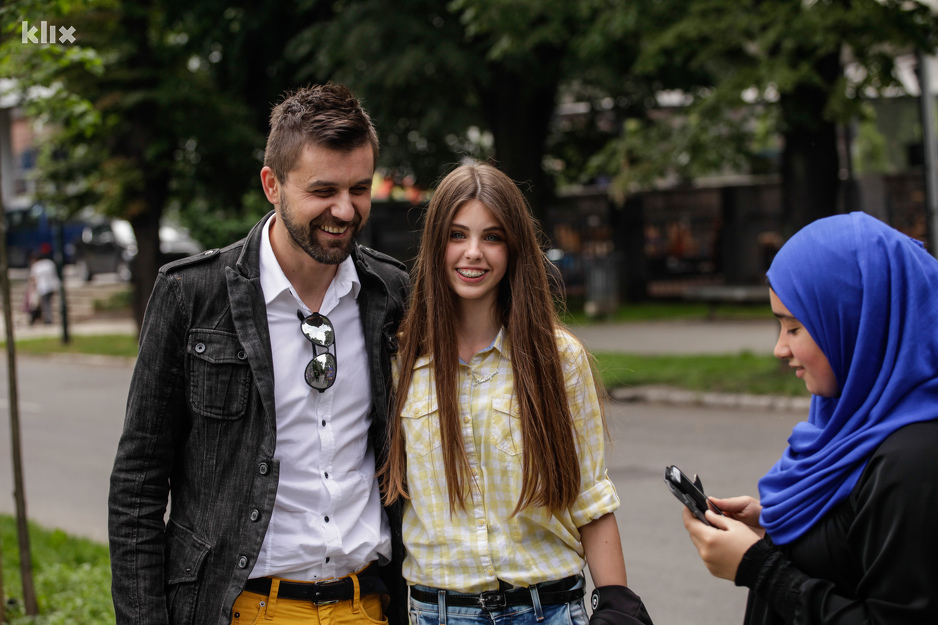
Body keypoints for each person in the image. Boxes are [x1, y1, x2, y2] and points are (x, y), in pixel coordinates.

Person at [108, 83, 410, 625]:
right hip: (243, 608)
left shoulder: (392, 294)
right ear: (272, 184)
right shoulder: (192, 295)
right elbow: (138, 482)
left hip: (368, 607)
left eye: (359, 188)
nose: (345, 209)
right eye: (323, 190)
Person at [381, 161, 653, 625]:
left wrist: (617, 602)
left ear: (513, 249)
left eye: (492, 237)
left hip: (547, 610)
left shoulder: (557, 358)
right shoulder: (401, 362)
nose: (473, 253)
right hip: (440, 614)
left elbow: (589, 494)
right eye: (456, 235)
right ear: (434, 245)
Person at [681, 211, 938, 624]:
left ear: (859, 324)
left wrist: (759, 568)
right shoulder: (854, 422)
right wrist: (779, 524)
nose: (780, 349)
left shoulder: (915, 460)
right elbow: (853, 543)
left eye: (795, 327)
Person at [28, 248, 60, 325]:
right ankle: (48, 318)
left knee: (45, 304)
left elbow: (33, 279)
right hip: (52, 286)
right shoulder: (50, 263)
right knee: (48, 303)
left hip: (43, 287)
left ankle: (48, 319)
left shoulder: (36, 266)